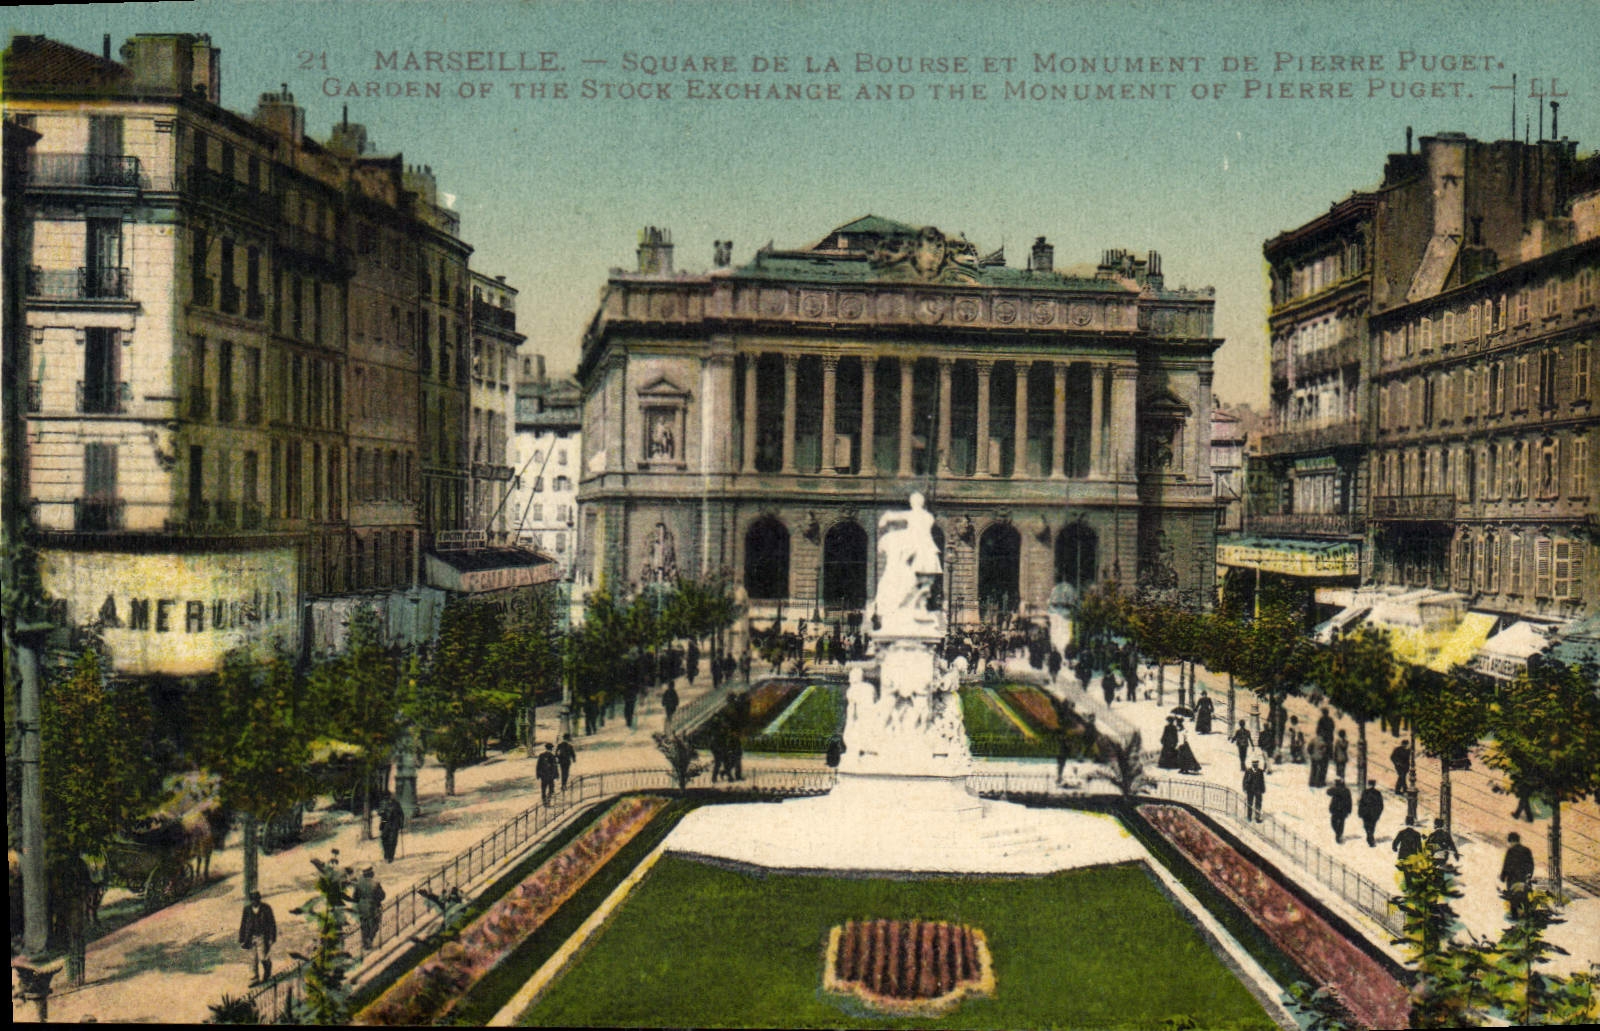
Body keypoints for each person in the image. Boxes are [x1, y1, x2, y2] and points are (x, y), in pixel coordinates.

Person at [239, 891, 278, 985]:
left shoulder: (266, 908)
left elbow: (272, 923)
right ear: (250, 901)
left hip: (262, 936)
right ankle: (254, 978)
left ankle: (267, 970)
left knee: (262, 957)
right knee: (252, 959)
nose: (254, 902)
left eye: (256, 900)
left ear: (259, 899)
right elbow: (243, 924)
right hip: (250, 937)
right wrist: (241, 938)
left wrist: (272, 938)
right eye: (252, 900)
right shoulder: (247, 910)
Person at [1500, 832, 1536, 919]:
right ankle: (1527, 917)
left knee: (1514, 899)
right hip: (1524, 879)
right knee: (1524, 898)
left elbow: (1507, 865)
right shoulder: (1527, 850)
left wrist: (1503, 876)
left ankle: (1515, 917)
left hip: (1513, 879)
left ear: (1511, 841)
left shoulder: (1511, 851)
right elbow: (1531, 864)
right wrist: (1529, 875)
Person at [354, 868, 386, 950]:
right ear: (371, 874)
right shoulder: (375, 883)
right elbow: (382, 896)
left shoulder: (358, 884)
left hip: (361, 907)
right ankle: (370, 939)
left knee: (364, 925)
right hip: (372, 906)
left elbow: (355, 897)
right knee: (375, 923)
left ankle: (365, 943)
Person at [1358, 779, 1385, 847]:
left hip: (1366, 813)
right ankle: (1370, 836)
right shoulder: (1377, 793)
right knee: (1372, 826)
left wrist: (1360, 812)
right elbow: (1381, 805)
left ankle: (1370, 837)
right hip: (1374, 814)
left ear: (1369, 784)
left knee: (1366, 826)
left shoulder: (1365, 792)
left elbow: (1361, 803)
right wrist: (1378, 813)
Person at [378, 794, 404, 864]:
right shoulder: (383, 803)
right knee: (384, 838)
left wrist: (401, 823)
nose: (389, 798)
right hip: (385, 822)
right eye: (388, 797)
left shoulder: (396, 804)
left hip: (394, 823)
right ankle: (386, 854)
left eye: (390, 797)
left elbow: (401, 814)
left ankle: (390, 856)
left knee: (392, 841)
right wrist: (382, 812)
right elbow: (379, 812)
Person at [1327, 778, 1353, 843]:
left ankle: (1338, 835)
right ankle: (1339, 834)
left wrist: (1349, 810)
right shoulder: (1345, 790)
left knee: (1335, 823)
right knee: (1338, 823)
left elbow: (1349, 800)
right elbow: (1328, 792)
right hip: (1339, 810)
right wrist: (1349, 810)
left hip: (1339, 810)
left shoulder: (1342, 790)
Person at [1243, 758, 1266, 823]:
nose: (1256, 766)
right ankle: (1249, 817)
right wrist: (1245, 788)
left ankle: (1257, 817)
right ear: (1252, 765)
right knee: (1250, 803)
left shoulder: (1260, 771)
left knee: (1258, 804)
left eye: (1257, 765)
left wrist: (1263, 788)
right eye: (1254, 765)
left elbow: (1262, 781)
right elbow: (1244, 780)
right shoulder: (1248, 771)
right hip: (1250, 790)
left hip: (1258, 790)